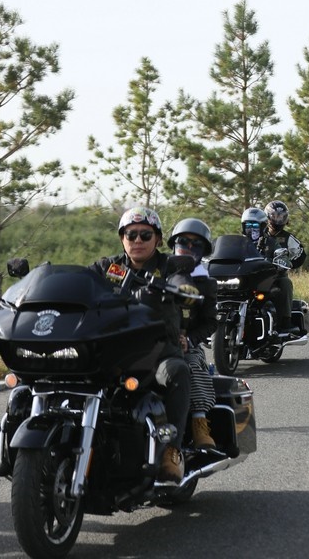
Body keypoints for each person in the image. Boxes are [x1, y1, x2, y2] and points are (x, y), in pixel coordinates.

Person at [89, 207, 193, 483]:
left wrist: (183, 288)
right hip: (113, 351)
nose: (137, 240)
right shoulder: (109, 267)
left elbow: (181, 279)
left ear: (157, 239)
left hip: (157, 352)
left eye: (145, 235)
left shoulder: (169, 266)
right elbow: (81, 280)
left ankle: (172, 451)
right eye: (131, 234)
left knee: (177, 372)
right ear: (122, 238)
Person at [167, 217, 218, 450]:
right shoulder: (158, 270)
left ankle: (199, 422)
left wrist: (189, 339)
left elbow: (210, 323)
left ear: (203, 251)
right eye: (183, 242)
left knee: (191, 363)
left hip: (183, 341)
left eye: (195, 244)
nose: (188, 247)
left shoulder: (205, 282)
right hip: (151, 338)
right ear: (173, 244)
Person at [256, 200, 306, 334]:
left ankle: (285, 321)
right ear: (267, 216)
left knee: (286, 284)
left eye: (281, 216)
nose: (278, 220)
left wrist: (288, 264)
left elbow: (301, 254)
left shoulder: (288, 237)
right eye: (275, 216)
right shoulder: (258, 235)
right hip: (255, 275)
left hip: (276, 276)